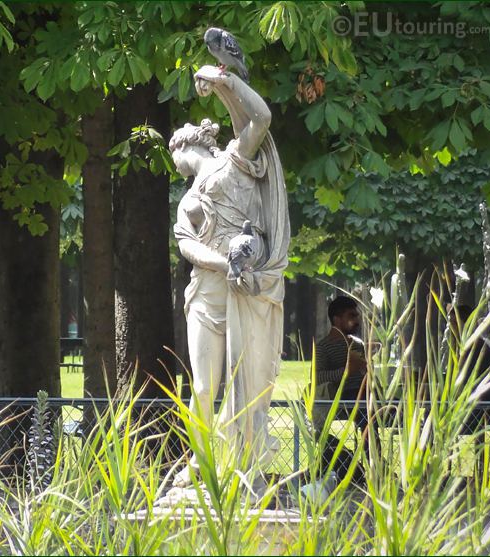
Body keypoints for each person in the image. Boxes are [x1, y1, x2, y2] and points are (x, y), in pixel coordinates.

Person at [170, 65, 291, 487]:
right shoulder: (187, 201)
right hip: (207, 294)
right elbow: (186, 245)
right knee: (203, 388)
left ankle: (246, 467)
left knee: (248, 387)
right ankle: (200, 459)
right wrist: (224, 265)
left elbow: (261, 118)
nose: (176, 165)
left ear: (188, 144)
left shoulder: (236, 161)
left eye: (175, 155)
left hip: (246, 292)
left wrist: (227, 83)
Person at [312, 296, 377, 476]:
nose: (356, 320)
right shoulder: (323, 347)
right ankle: (374, 462)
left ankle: (375, 460)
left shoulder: (358, 344)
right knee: (366, 411)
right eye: (351, 316)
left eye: (356, 316)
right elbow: (317, 377)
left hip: (365, 395)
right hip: (341, 398)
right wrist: (345, 371)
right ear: (337, 319)